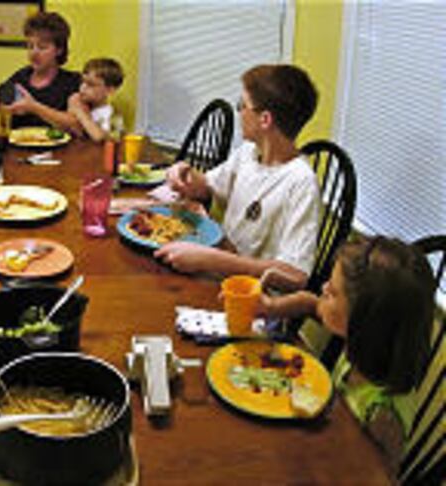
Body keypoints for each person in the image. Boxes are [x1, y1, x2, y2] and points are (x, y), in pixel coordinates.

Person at [259, 236, 436, 472]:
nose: (323, 290)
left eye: (331, 292)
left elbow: (376, 477)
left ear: (363, 323)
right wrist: (271, 307)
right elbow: (312, 304)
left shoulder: (383, 415)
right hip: (322, 439)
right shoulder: (365, 345)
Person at [157, 64, 321, 290]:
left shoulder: (301, 182)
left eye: (242, 106)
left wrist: (213, 260)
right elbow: (208, 186)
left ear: (265, 120)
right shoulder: (249, 153)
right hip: (219, 271)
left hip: (254, 299)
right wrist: (185, 174)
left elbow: (295, 274)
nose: (239, 112)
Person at [0, 12, 82, 130]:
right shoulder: (21, 76)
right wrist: (8, 108)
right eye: (30, 46)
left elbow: (74, 123)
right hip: (21, 146)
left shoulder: (73, 81)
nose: (34, 53)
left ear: (59, 50)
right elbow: (2, 105)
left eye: (42, 47)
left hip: (60, 148)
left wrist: (34, 107)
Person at [67, 58, 124, 142]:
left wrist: (79, 112)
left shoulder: (110, 115)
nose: (83, 88)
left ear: (109, 90)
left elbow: (99, 137)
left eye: (90, 84)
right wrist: (71, 108)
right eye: (82, 82)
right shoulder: (85, 106)